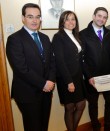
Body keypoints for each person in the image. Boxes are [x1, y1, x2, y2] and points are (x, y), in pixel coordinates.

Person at [6, 3, 55, 131]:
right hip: (27, 93)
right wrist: (43, 83)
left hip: (46, 92)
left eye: (38, 17)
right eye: (30, 16)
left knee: (43, 126)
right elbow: (20, 68)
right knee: (33, 127)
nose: (34, 20)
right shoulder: (14, 39)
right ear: (23, 18)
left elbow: (51, 63)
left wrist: (50, 80)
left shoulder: (45, 38)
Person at [80, 7, 110, 130]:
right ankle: (95, 126)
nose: (101, 19)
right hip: (92, 77)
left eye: (104, 17)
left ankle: (108, 125)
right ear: (93, 16)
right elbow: (82, 58)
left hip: (109, 75)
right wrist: (88, 76)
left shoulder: (109, 33)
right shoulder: (83, 34)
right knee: (93, 104)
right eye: (99, 16)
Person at [52, 11, 86, 131]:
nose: (71, 22)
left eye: (73, 19)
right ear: (62, 22)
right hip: (66, 78)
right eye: (67, 19)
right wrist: (69, 82)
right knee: (70, 107)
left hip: (77, 76)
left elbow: (79, 58)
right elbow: (60, 61)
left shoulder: (76, 35)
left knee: (81, 104)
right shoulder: (58, 37)